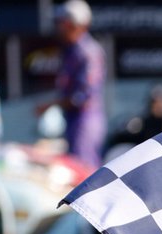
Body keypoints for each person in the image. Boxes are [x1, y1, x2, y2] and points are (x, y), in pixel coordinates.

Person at [39, 0, 107, 167]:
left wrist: (51, 105)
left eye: (60, 23)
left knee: (84, 172)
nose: (58, 28)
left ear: (71, 24)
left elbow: (83, 96)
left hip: (85, 122)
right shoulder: (71, 50)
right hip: (74, 121)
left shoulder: (88, 52)